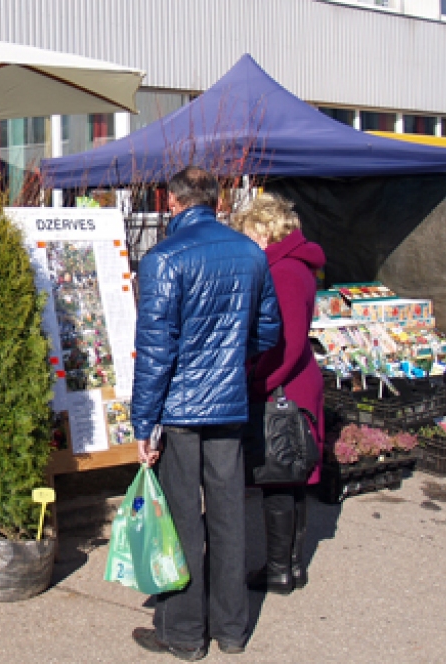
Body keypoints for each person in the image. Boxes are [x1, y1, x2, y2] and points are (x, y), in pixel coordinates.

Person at [130, 167, 281, 661]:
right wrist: (229, 360)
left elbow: (155, 352)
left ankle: (185, 632)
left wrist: (143, 425)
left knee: (180, 522)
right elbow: (267, 332)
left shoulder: (163, 259)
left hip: (179, 406)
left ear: (172, 203)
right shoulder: (250, 253)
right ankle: (232, 630)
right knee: (228, 514)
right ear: (215, 201)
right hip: (227, 400)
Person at [232, 193, 326, 595]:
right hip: (296, 381)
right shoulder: (295, 264)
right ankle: (290, 566)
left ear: (265, 229)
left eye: (248, 232)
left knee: (279, 477)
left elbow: (283, 346)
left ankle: (278, 570)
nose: (245, 240)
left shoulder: (284, 270)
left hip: (285, 386)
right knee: (291, 477)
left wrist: (256, 384)